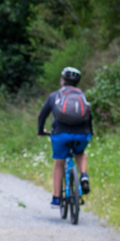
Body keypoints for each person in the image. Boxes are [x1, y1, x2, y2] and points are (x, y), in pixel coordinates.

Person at [37, 67, 93, 206]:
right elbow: (89, 116)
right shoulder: (82, 96)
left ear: (62, 80)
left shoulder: (55, 96)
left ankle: (56, 197)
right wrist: (89, 133)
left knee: (59, 162)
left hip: (60, 134)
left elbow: (42, 116)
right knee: (80, 153)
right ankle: (84, 175)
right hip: (82, 134)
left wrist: (40, 130)